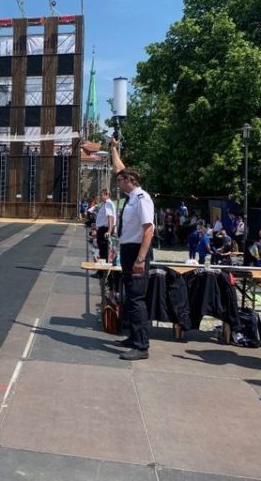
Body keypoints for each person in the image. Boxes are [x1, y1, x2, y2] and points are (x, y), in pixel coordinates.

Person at [110, 137, 154, 361]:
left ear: (130, 180)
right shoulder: (132, 195)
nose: (118, 182)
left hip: (138, 250)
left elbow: (149, 230)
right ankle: (133, 336)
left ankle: (141, 345)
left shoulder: (142, 198)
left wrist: (140, 259)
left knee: (136, 298)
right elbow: (120, 167)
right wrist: (114, 149)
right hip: (129, 250)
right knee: (130, 296)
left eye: (120, 180)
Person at [94, 189, 116, 265]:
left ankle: (102, 270)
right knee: (102, 249)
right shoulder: (106, 204)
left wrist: (109, 231)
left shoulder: (108, 203)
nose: (100, 197)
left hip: (105, 229)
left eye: (101, 195)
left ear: (107, 195)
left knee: (103, 250)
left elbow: (110, 217)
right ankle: (101, 269)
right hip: (103, 228)